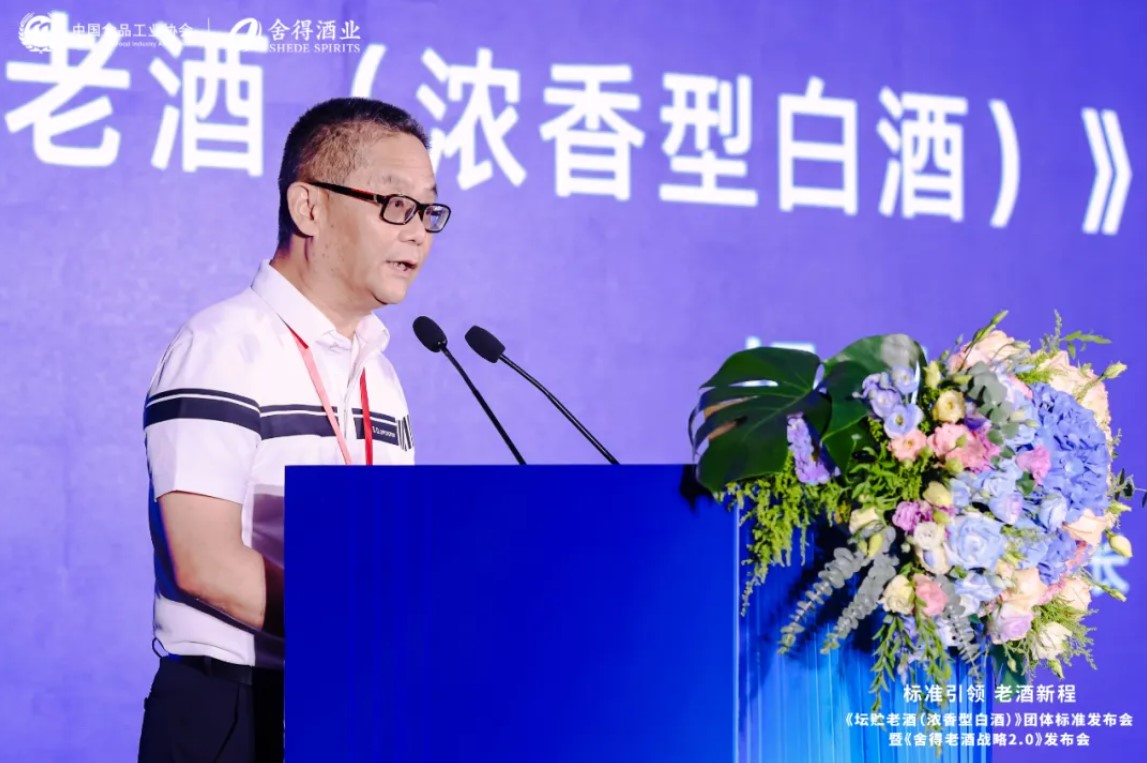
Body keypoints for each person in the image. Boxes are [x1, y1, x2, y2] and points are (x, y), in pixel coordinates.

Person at [137, 97, 449, 762]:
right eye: (396, 205)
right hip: (232, 709)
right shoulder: (222, 345)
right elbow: (202, 561)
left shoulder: (380, 374)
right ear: (308, 207)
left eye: (428, 211)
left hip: (345, 703)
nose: (418, 233)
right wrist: (354, 623)